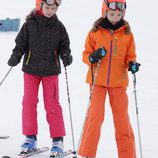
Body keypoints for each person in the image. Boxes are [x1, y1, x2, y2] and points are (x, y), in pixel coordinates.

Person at [7, 0, 72, 157]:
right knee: (28, 103)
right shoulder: (30, 24)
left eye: (53, 8)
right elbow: (21, 43)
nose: (50, 10)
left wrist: (66, 55)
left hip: (51, 71)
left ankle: (57, 140)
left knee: (52, 105)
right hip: (31, 69)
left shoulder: (59, 26)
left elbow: (64, 44)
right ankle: (30, 138)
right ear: (40, 6)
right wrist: (16, 55)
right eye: (48, 7)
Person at [78, 0, 140, 158]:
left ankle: (127, 155)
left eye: (119, 14)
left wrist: (132, 64)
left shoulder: (127, 33)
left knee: (122, 121)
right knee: (95, 118)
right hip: (97, 81)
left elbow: (130, 55)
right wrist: (93, 57)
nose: (115, 17)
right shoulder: (95, 32)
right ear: (105, 12)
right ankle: (87, 153)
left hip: (119, 83)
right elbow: (86, 54)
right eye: (112, 14)